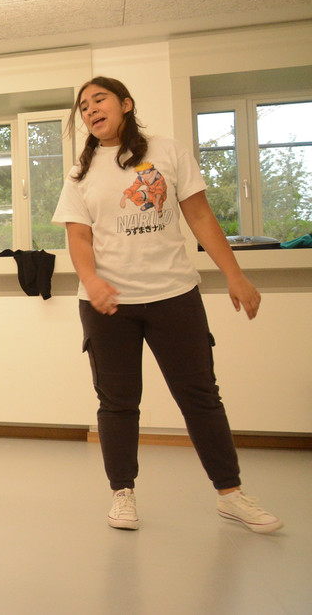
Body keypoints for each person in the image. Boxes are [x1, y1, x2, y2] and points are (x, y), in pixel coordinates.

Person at [52, 76, 282, 534]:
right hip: (108, 304)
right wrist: (91, 281)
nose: (90, 110)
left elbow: (200, 215)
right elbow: (78, 237)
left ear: (125, 104)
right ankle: (122, 493)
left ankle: (230, 495)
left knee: (200, 397)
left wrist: (235, 275)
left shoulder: (168, 151)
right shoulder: (81, 173)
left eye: (99, 99)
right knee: (118, 403)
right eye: (83, 106)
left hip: (174, 295)